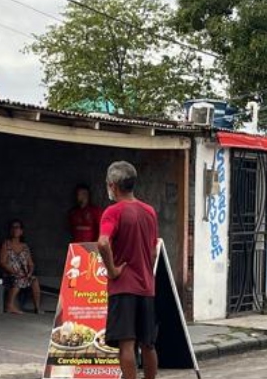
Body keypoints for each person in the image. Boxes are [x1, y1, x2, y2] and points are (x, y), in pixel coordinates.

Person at [97, 161, 159, 379]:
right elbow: (153, 252)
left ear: (113, 186)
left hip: (123, 287)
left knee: (127, 344)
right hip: (146, 287)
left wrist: (113, 270)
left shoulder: (113, 212)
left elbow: (103, 243)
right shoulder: (149, 212)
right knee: (148, 344)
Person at [0, 220, 42, 314]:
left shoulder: (25, 246)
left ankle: (37, 307)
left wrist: (30, 272)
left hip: (24, 274)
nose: (15, 230)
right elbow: (2, 262)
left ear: (21, 231)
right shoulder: (6, 244)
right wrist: (14, 272)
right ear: (10, 230)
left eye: (17, 227)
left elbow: (30, 263)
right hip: (10, 274)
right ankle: (9, 306)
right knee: (18, 278)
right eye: (13, 227)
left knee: (34, 280)